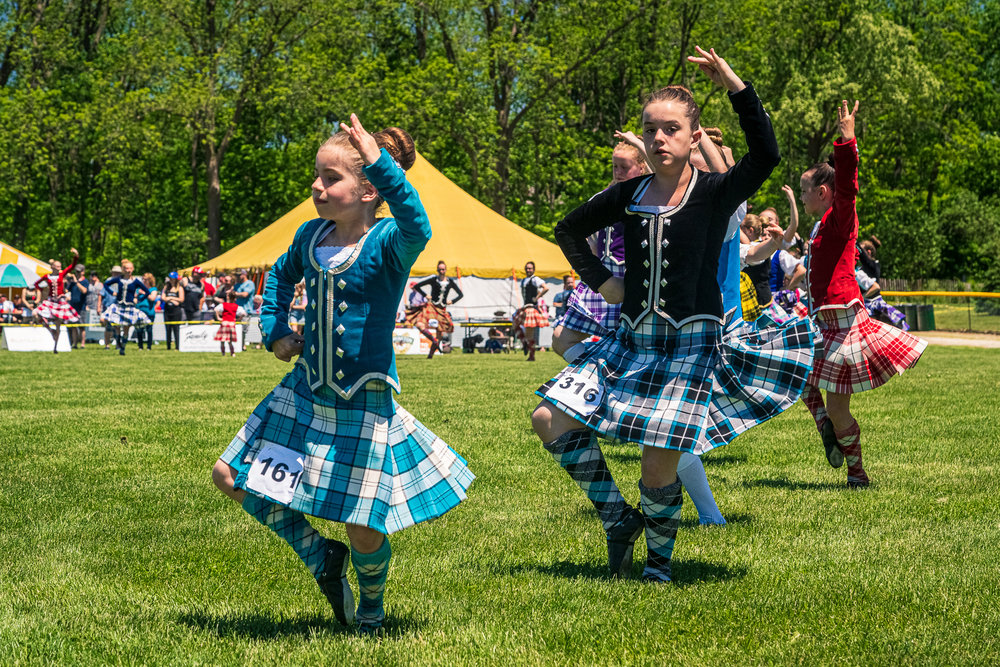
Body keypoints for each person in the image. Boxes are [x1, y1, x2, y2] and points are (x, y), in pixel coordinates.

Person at [531, 48, 817, 583]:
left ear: (691, 138)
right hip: (630, 344)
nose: (660, 139)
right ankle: (618, 518)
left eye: (671, 130)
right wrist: (605, 283)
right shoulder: (628, 194)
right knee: (548, 419)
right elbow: (567, 229)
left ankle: (658, 568)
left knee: (656, 465)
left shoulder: (714, 192)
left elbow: (765, 152)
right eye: (651, 129)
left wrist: (735, 83)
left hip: (691, 350)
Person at [211, 116, 474, 634]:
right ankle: (319, 556)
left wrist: (378, 158)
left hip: (363, 400)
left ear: (369, 189)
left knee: (363, 525)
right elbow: (279, 278)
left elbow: (417, 221)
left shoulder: (390, 244)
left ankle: (371, 609)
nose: (316, 186)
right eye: (317, 175)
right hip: (304, 391)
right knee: (230, 476)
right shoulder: (310, 235)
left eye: (331, 178)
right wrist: (275, 329)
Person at [798, 100, 926, 488]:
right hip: (822, 323)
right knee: (795, 371)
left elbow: (848, 187)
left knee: (838, 408)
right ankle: (824, 426)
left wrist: (847, 141)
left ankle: (856, 473)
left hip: (845, 324)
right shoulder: (820, 227)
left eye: (805, 191)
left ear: (822, 192)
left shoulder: (839, 217)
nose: (803, 197)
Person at [551, 141, 648, 363]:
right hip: (606, 279)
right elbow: (589, 241)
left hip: (637, 282)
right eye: (615, 166)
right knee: (560, 338)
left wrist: (638, 142)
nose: (619, 172)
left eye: (625, 166)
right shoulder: (601, 198)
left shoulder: (652, 200)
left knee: (635, 348)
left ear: (642, 167)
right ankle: (600, 376)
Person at [405, 260, 463, 358]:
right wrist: (425, 295)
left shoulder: (450, 282)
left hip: (442, 309)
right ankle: (433, 340)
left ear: (446, 270)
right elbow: (417, 286)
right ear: (437, 270)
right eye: (440, 269)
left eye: (443, 269)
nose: (442, 271)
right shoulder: (433, 280)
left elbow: (460, 294)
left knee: (440, 332)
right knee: (419, 324)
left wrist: (452, 301)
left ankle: (430, 355)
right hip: (431, 307)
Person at [33, 247, 81, 353]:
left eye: (60, 266)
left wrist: (75, 256)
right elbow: (36, 284)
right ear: (52, 267)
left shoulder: (62, 274)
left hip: (59, 302)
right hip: (50, 301)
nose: (59, 267)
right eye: (57, 266)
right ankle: (51, 330)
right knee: (35, 313)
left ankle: (55, 347)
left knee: (58, 323)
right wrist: (40, 294)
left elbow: (72, 266)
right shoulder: (47, 276)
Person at [102, 260, 151, 356]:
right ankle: (118, 342)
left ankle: (122, 348)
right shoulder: (118, 279)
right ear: (123, 269)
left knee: (126, 329)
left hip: (129, 308)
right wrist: (112, 293)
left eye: (129, 268)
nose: (127, 270)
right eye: (125, 268)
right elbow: (106, 284)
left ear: (132, 269)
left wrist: (138, 299)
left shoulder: (136, 281)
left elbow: (147, 292)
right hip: (119, 306)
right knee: (115, 325)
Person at [512, 260, 549, 361]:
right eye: (527, 268)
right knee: (514, 324)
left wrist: (537, 298)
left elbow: (546, 288)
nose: (528, 270)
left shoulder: (536, 279)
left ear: (534, 270)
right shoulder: (524, 280)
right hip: (525, 307)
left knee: (529, 333)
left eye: (530, 268)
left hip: (531, 309)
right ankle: (524, 343)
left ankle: (531, 356)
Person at [213, 290, 245, 356]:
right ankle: (232, 353)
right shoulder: (236, 306)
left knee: (222, 340)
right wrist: (238, 319)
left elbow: (216, 309)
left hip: (224, 323)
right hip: (231, 323)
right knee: (230, 341)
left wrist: (218, 317)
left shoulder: (223, 305)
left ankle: (223, 353)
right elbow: (243, 313)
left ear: (228, 297)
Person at [161, 271, 186, 350]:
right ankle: (168, 346)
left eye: (173, 279)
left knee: (176, 328)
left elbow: (181, 299)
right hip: (167, 310)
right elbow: (163, 298)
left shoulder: (180, 288)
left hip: (176, 311)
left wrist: (171, 298)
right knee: (168, 328)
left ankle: (177, 346)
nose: (171, 280)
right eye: (170, 278)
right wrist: (171, 301)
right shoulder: (166, 287)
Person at [134, 273, 158, 350]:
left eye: (145, 279)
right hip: (139, 312)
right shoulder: (138, 289)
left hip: (149, 312)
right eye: (143, 279)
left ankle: (149, 346)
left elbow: (152, 298)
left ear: (149, 280)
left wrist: (144, 293)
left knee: (149, 329)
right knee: (139, 329)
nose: (143, 280)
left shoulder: (153, 289)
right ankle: (140, 346)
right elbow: (135, 298)